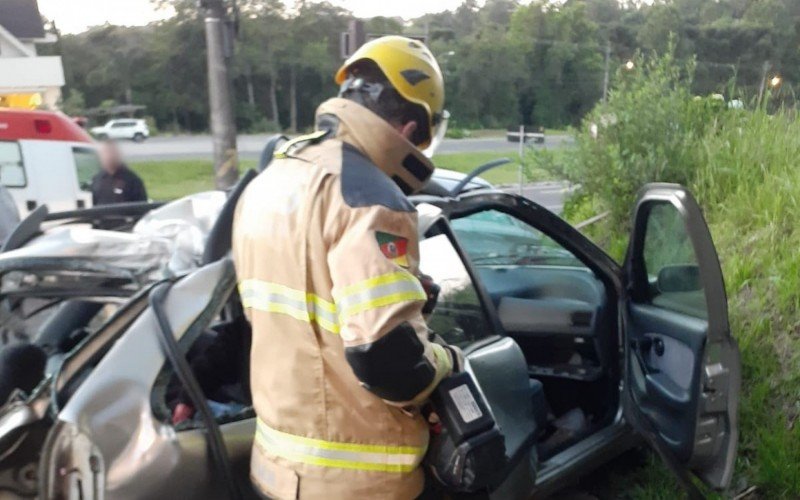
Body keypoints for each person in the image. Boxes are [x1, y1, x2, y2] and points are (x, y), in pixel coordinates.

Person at [232, 36, 460, 499]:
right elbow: (393, 365)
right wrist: (449, 360)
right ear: (412, 128)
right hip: (358, 483)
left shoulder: (273, 180)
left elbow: (307, 311)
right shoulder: (369, 197)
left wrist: (405, 292)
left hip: (275, 469)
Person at [90, 140, 147, 205]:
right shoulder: (97, 179)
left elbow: (141, 207)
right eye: (104, 153)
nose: (108, 156)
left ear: (118, 154)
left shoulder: (132, 180)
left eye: (111, 152)